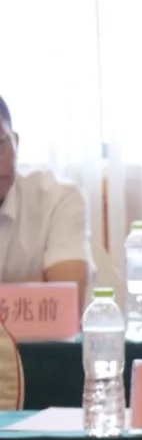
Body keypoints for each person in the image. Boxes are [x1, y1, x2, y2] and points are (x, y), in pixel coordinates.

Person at [0, 95, 93, 303]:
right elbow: (51, 297)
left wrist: (53, 289)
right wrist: (40, 284)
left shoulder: (58, 199)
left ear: (16, 142)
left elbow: (66, 301)